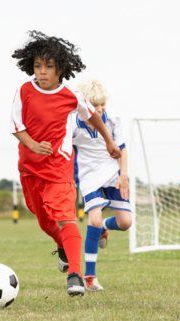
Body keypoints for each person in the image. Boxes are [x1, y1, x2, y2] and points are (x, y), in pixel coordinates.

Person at [10, 31, 121, 297]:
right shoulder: (24, 91)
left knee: (65, 218)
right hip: (29, 170)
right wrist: (34, 145)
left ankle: (75, 275)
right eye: (37, 66)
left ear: (61, 68)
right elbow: (16, 127)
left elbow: (93, 116)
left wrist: (108, 141)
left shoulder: (72, 96)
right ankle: (63, 247)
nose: (42, 72)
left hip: (59, 169)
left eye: (48, 66)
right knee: (44, 222)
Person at [72, 78, 131, 291]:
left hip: (113, 173)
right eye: (94, 105)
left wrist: (123, 175)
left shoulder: (114, 119)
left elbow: (121, 149)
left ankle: (104, 229)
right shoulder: (71, 122)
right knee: (93, 221)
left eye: (102, 104)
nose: (99, 109)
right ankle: (90, 277)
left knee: (125, 223)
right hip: (88, 176)